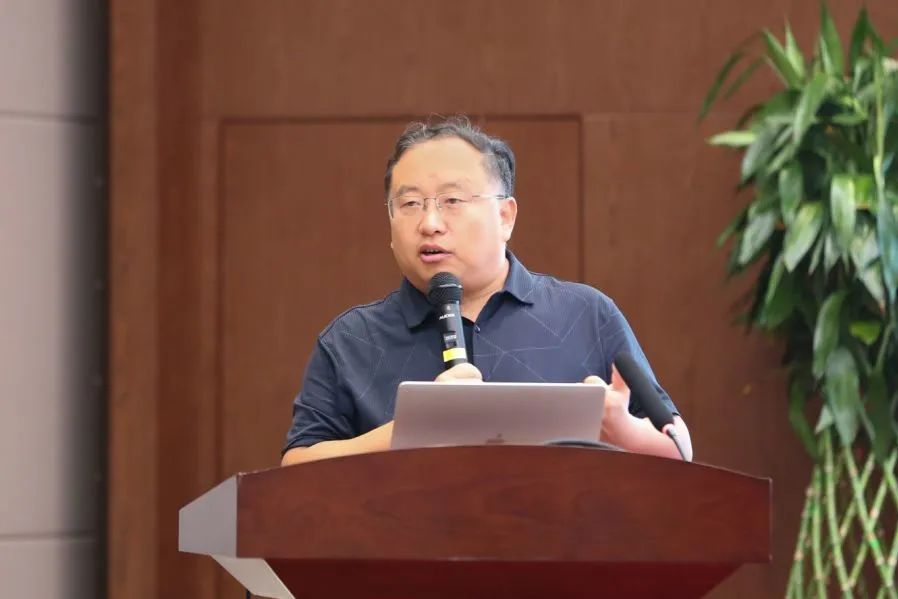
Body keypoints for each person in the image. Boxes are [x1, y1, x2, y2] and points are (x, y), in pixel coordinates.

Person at [281, 116, 692, 466]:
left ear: (505, 216)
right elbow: (295, 468)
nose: (429, 224)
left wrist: (622, 430)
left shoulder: (586, 314)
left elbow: (678, 448)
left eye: (452, 200)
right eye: (409, 204)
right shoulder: (351, 340)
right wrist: (407, 431)